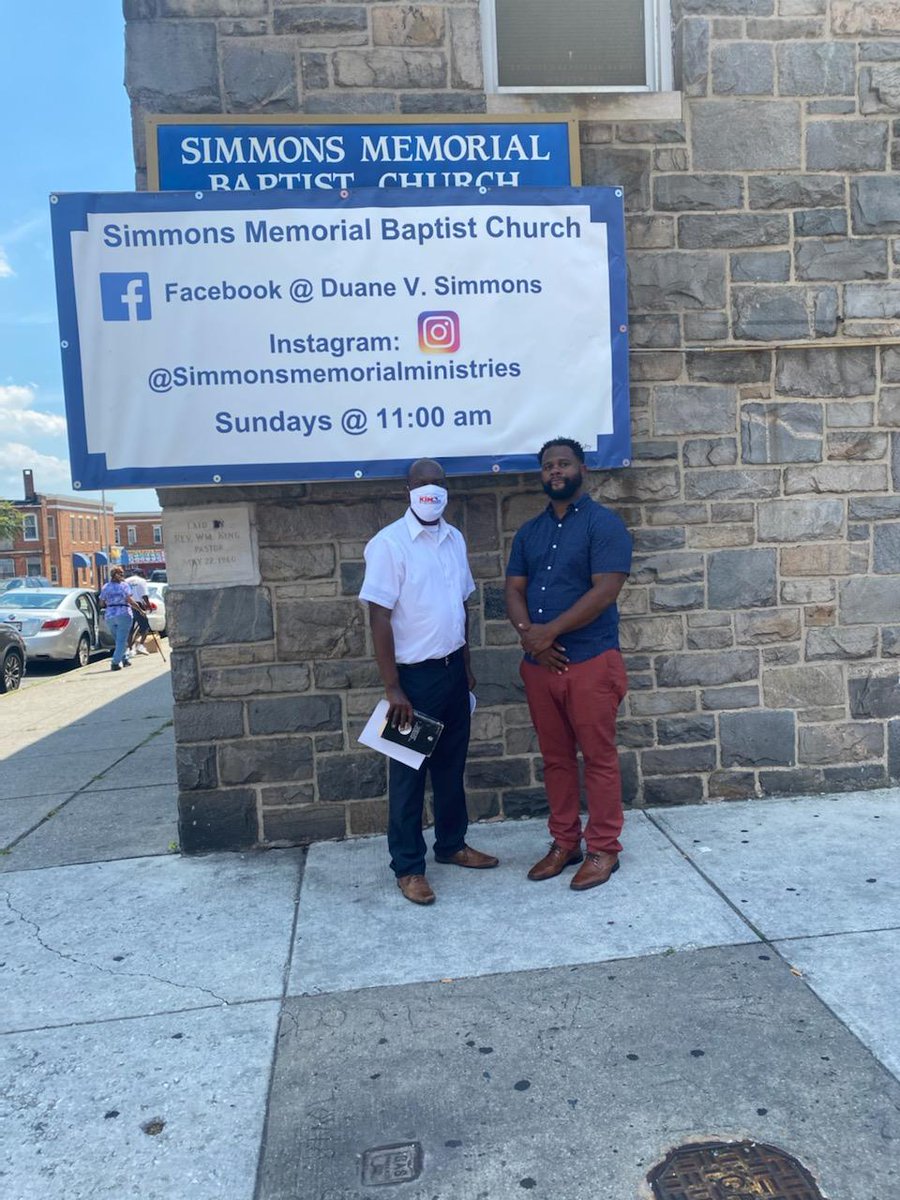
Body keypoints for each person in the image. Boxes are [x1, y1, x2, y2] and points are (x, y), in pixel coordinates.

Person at [359, 458, 499, 905]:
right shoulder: (389, 544)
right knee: (408, 776)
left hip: (453, 673)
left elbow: (460, 606)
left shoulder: (454, 539)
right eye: (422, 482)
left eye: (438, 482)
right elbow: (379, 616)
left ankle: (452, 844)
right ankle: (408, 867)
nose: (431, 489)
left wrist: (467, 665)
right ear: (407, 489)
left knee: (451, 769)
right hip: (413, 681)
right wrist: (392, 686)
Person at [505, 438, 632, 891]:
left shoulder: (604, 525)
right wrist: (531, 638)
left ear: (582, 469)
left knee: (598, 758)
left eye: (563, 463)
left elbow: (606, 590)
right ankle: (564, 842)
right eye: (547, 466)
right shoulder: (529, 533)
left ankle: (603, 848)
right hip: (540, 666)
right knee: (556, 760)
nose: (554, 471)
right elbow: (514, 589)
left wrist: (550, 632)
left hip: (591, 661)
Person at [99, 567, 136, 671]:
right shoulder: (124, 585)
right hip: (123, 613)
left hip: (110, 615)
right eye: (121, 573)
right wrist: (140, 610)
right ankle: (115, 662)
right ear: (115, 575)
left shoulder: (105, 587)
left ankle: (124, 658)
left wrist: (109, 603)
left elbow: (101, 603)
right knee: (121, 640)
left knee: (118, 639)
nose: (123, 575)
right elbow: (130, 600)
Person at [125, 571, 152, 655]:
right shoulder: (142, 581)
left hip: (127, 605)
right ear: (141, 574)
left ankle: (129, 649)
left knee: (130, 629)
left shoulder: (125, 581)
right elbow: (144, 595)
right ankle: (140, 645)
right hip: (138, 605)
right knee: (145, 627)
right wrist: (148, 605)